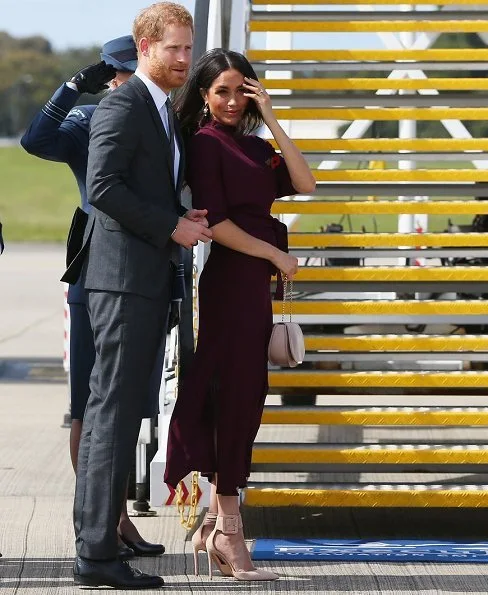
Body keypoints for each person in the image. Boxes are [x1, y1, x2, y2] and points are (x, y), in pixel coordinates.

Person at [62, 3, 212, 589]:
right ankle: (96, 555)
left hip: (142, 277)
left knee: (114, 418)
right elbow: (102, 188)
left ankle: (95, 545)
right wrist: (169, 226)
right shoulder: (123, 105)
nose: (183, 59)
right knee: (112, 416)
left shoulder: (160, 110)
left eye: (187, 48)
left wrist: (179, 215)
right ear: (143, 46)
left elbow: (142, 187)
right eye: (173, 48)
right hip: (122, 280)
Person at [164, 48, 315, 581]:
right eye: (220, 91)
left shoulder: (255, 145)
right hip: (232, 281)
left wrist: (270, 116)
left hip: (256, 287)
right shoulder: (205, 145)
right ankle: (228, 531)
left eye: (239, 90)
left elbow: (304, 183)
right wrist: (275, 255)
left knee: (247, 398)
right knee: (233, 397)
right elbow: (218, 223)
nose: (231, 101)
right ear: (204, 97)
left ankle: (215, 524)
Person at [20, 35, 165, 562]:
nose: (132, 81)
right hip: (95, 269)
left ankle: (115, 516)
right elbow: (35, 141)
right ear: (110, 76)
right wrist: (71, 87)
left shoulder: (162, 118)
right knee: (89, 403)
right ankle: (107, 521)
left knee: (132, 403)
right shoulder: (89, 121)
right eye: (122, 73)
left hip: (148, 271)